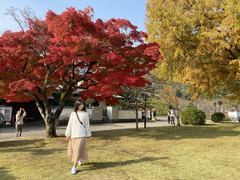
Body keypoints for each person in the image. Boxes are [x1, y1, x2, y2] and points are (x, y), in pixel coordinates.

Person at [65, 99, 92, 175]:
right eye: (80, 104)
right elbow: (69, 124)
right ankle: (79, 158)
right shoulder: (73, 113)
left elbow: (87, 125)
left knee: (76, 151)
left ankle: (74, 167)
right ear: (77, 105)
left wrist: (88, 134)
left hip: (82, 134)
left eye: (83, 104)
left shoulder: (85, 114)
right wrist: (67, 133)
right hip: (73, 135)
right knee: (74, 150)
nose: (82, 106)